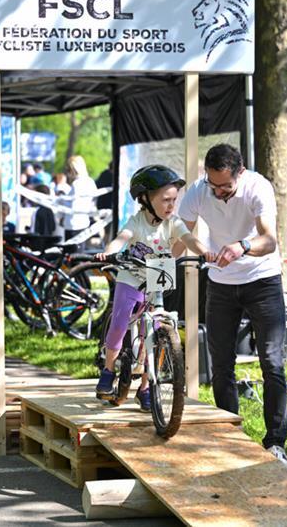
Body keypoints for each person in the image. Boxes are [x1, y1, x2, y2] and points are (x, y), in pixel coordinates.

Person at [178, 144, 287, 464]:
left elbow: (269, 240)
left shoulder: (258, 187)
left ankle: (275, 442)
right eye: (213, 185)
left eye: (225, 186)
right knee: (221, 364)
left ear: (240, 173)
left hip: (262, 280)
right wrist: (196, 248)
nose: (218, 192)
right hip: (221, 284)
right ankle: (231, 439)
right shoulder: (199, 190)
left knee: (272, 362)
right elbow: (179, 231)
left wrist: (242, 246)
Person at [95, 165, 214, 411]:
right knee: (119, 324)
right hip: (131, 276)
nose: (171, 205)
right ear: (146, 199)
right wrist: (108, 252)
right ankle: (108, 370)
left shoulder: (173, 222)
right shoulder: (137, 221)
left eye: (174, 200)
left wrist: (205, 252)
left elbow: (188, 239)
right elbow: (122, 238)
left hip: (158, 275)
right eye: (165, 200)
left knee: (157, 331)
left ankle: (146, 387)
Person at [62, 155, 97, 251]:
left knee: (71, 255)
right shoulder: (90, 182)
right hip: (84, 222)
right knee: (79, 254)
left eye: (69, 169)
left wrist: (63, 200)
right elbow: (93, 202)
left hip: (73, 224)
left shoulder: (76, 184)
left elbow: (73, 206)